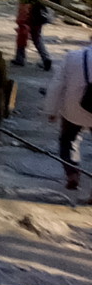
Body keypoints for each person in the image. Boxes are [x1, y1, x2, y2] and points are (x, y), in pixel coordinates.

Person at [44, 37, 92, 193]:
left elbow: (57, 84)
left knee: (67, 141)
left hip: (74, 109)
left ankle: (72, 173)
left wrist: (51, 110)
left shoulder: (73, 56)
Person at [16, 0, 54, 69]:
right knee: (37, 38)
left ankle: (20, 59)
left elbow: (24, 9)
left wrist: (20, 21)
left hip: (28, 18)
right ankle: (46, 58)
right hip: (38, 17)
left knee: (22, 37)